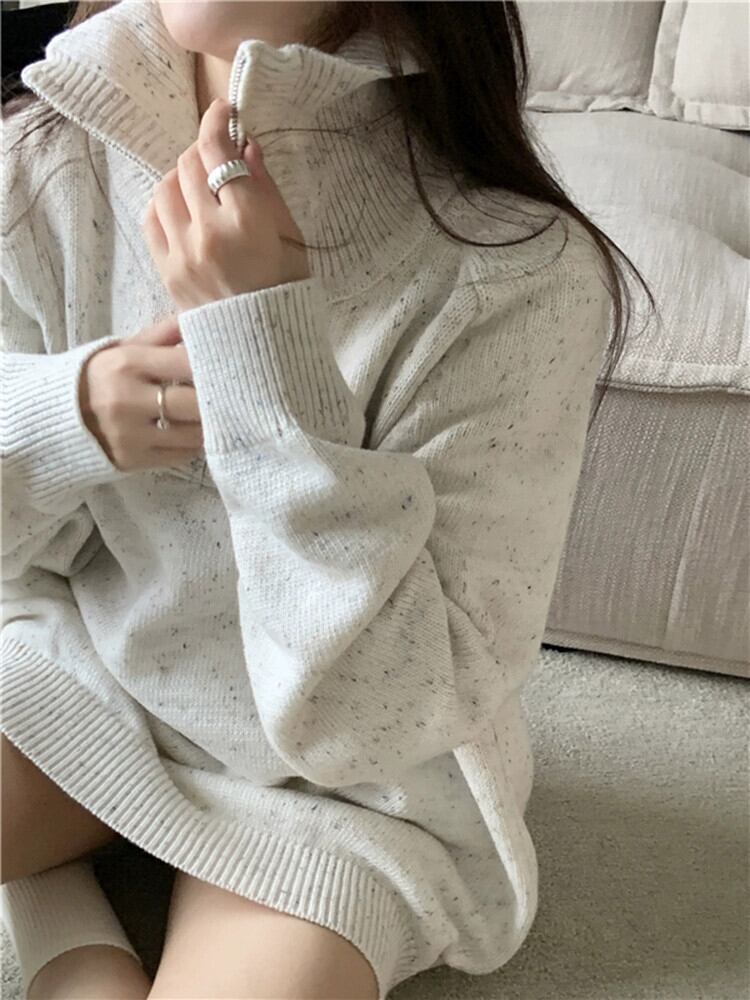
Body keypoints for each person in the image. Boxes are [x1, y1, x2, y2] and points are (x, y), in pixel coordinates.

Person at [0, 1, 654, 998]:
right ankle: (57, 873)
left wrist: (266, 355)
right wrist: (68, 414)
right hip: (91, 675)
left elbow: (379, 717)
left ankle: (55, 888)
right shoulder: (48, 152)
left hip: (360, 793)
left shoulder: (518, 268)